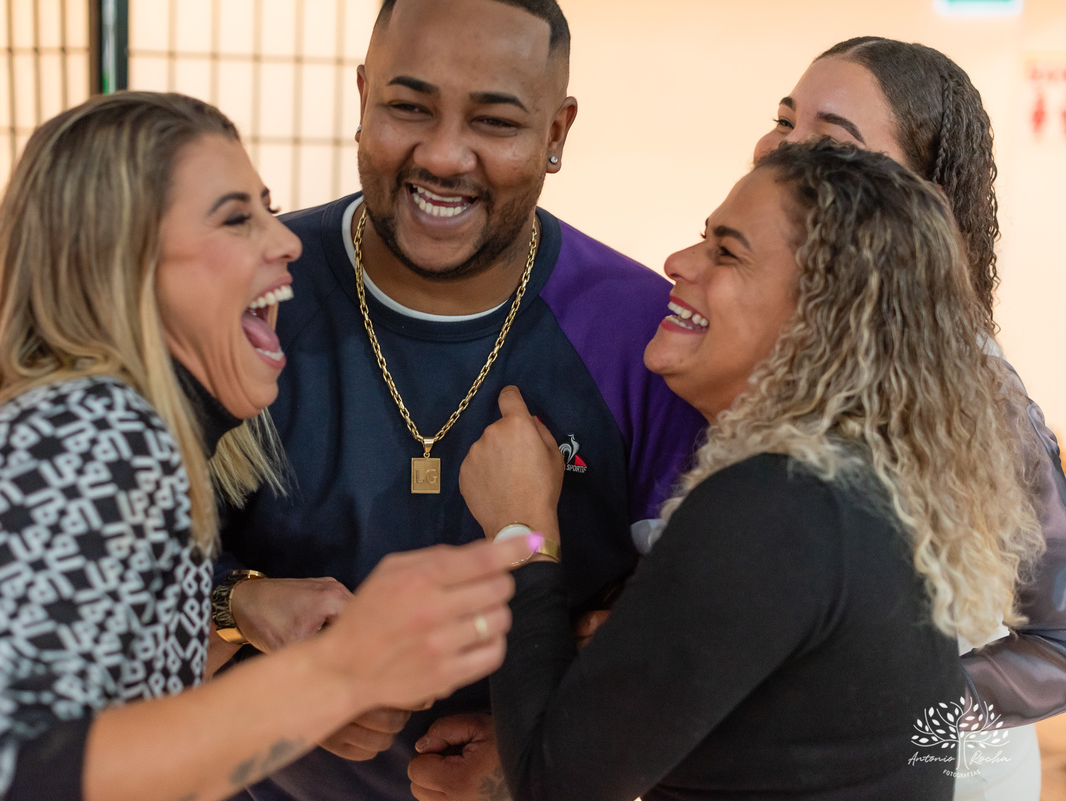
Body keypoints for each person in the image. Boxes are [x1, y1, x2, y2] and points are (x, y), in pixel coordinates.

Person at [0, 91, 540, 801]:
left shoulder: (121, 440)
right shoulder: (93, 430)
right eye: (236, 219)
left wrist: (241, 612)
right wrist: (344, 667)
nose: (285, 242)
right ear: (118, 263)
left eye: (269, 208)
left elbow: (110, 691)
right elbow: (11, 765)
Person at [216, 1, 706, 799]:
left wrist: (541, 743)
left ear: (557, 134)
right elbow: (132, 586)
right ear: (362, 97)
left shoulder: (645, 338)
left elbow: (693, 633)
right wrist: (264, 654)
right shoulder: (254, 297)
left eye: (495, 122)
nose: (443, 156)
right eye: (408, 108)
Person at [460, 140, 1046, 800]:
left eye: (726, 253)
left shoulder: (776, 504)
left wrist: (521, 528)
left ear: (820, 319)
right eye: (701, 240)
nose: (678, 264)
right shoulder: (862, 488)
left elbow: (554, 784)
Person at [755, 37, 1066, 799]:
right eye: (784, 120)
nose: (782, 150)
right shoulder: (777, 344)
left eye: (830, 140)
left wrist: (893, 709)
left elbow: (1058, 645)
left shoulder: (974, 386)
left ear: (919, 195)